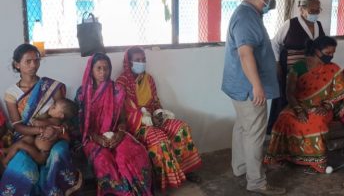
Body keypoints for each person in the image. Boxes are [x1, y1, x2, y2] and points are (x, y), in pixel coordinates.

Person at [221, 0, 285, 195]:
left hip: (239, 86)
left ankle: (240, 168)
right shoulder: (247, 17)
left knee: (243, 128)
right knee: (254, 133)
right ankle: (256, 182)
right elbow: (245, 53)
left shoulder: (248, 14)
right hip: (249, 89)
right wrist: (257, 86)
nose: (272, 1)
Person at [0, 43, 82, 195]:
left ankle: (55, 191)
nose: (33, 65)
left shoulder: (51, 87)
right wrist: (41, 129)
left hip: (54, 136)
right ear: (17, 64)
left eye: (36, 60)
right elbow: (17, 125)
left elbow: (63, 116)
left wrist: (54, 130)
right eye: (28, 61)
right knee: (23, 168)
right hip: (26, 136)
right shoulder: (11, 93)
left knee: (60, 152)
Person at [116, 46, 202, 190]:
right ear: (129, 62)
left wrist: (159, 115)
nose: (142, 63)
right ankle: (164, 179)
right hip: (137, 125)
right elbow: (126, 111)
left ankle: (187, 170)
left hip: (153, 118)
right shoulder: (122, 83)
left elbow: (155, 102)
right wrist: (148, 120)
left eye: (144, 59)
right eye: (137, 60)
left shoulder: (149, 79)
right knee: (159, 139)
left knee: (181, 128)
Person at [264, 36, 344, 174]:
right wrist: (298, 110)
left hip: (322, 106)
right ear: (316, 50)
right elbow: (289, 92)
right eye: (327, 53)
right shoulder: (299, 66)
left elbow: (341, 93)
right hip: (298, 104)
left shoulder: (333, 68)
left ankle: (315, 162)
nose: (331, 56)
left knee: (316, 122)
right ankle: (285, 157)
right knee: (283, 119)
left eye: (333, 53)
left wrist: (327, 106)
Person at [75, 52, 152, 196]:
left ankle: (139, 192)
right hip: (92, 138)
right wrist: (97, 138)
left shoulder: (117, 90)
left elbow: (122, 120)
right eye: (98, 68)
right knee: (103, 160)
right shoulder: (82, 94)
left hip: (115, 133)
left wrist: (120, 134)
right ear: (91, 70)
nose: (103, 72)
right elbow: (81, 126)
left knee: (132, 152)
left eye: (106, 68)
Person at [268, 0, 326, 134]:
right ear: (302, 10)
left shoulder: (318, 25)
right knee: (287, 98)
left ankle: (304, 130)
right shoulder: (290, 24)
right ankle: (282, 132)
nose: (315, 14)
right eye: (312, 11)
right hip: (289, 69)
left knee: (306, 97)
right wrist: (276, 63)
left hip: (310, 70)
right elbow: (275, 43)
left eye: (318, 11)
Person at [2, 98, 78, 165]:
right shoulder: (57, 123)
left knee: (21, 144)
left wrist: (37, 119)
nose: (51, 106)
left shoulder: (55, 121)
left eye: (54, 107)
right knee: (28, 138)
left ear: (61, 115)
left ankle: (6, 160)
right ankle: (8, 150)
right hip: (37, 148)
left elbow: (37, 123)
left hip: (41, 155)